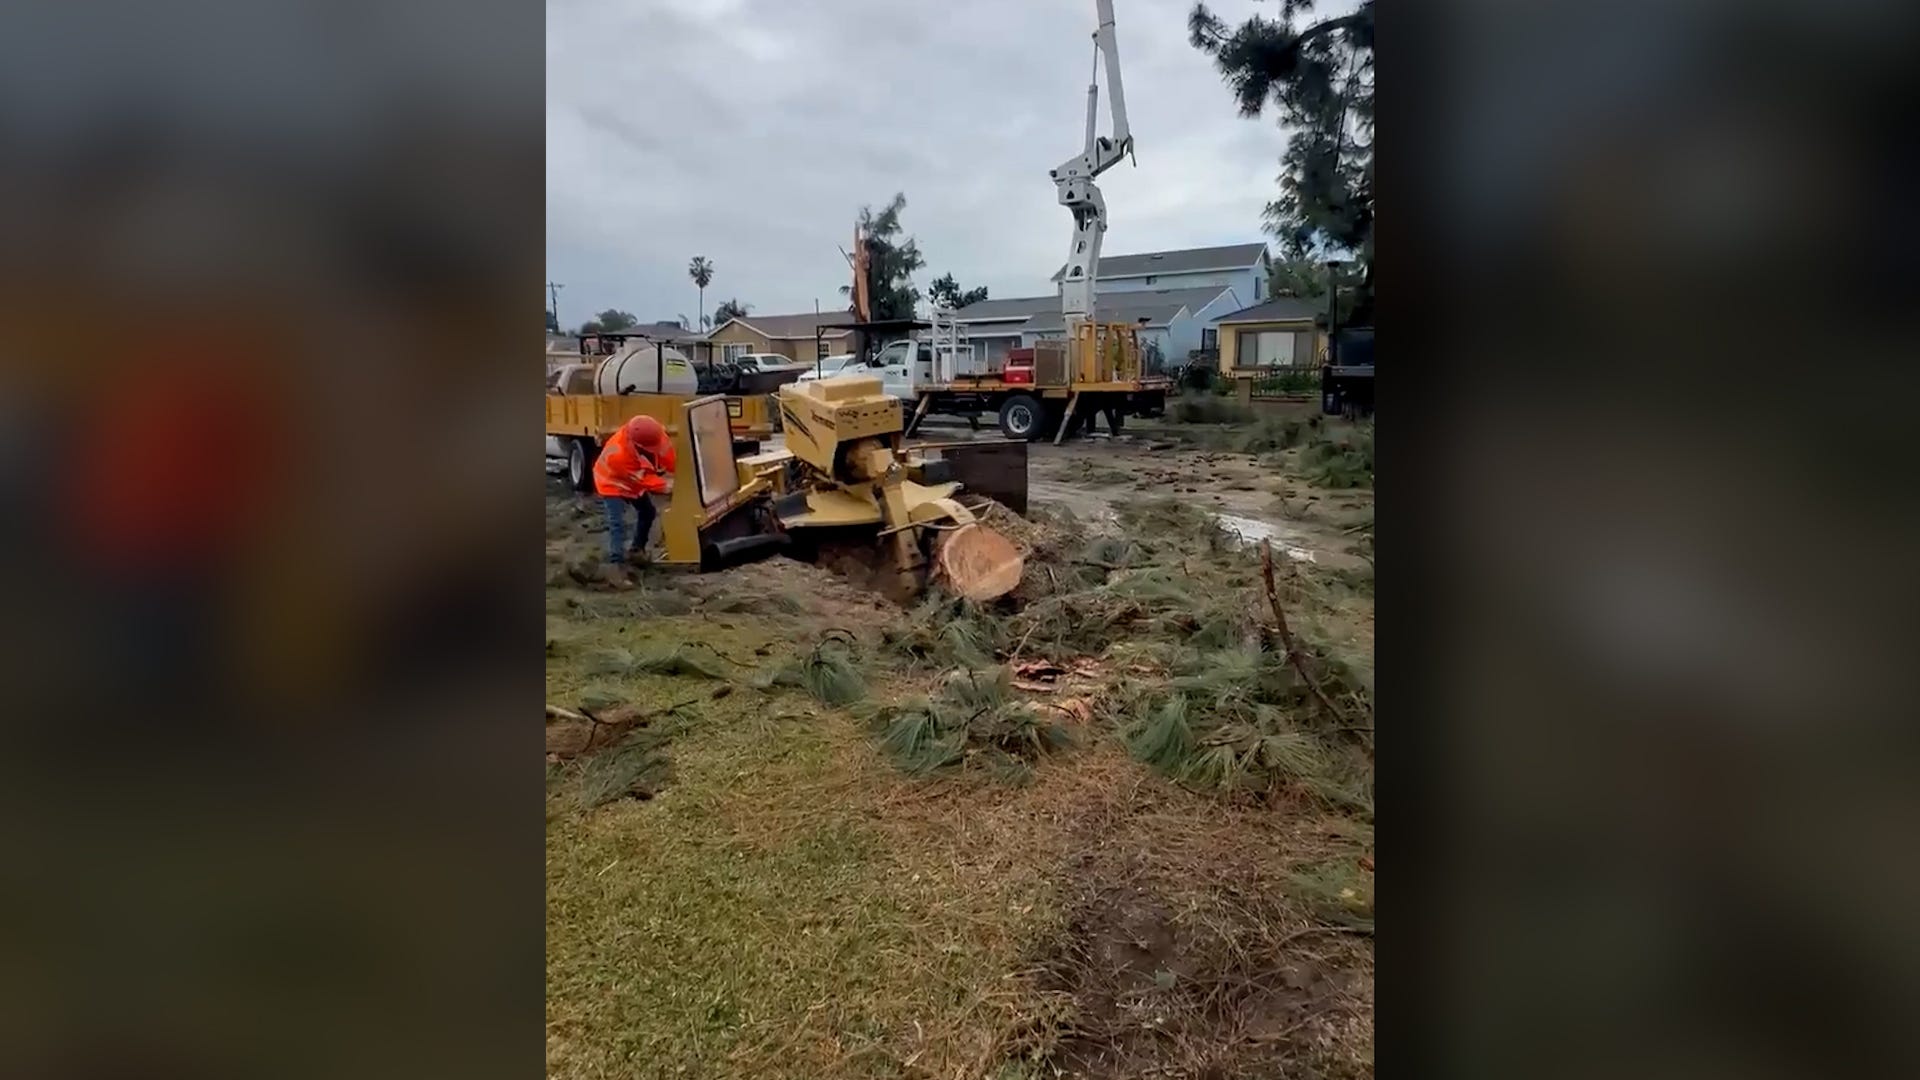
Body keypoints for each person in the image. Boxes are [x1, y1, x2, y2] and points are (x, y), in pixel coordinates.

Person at [593, 414, 675, 571]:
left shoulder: (655, 435)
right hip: (611, 483)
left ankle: (637, 550)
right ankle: (615, 565)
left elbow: (669, 457)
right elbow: (643, 480)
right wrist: (667, 485)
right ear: (635, 444)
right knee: (617, 523)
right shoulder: (618, 455)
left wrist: (683, 475)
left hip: (633, 483)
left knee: (648, 512)